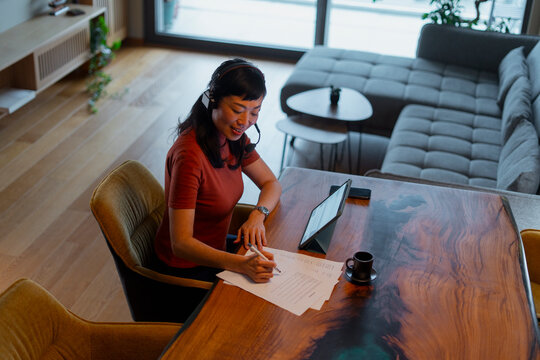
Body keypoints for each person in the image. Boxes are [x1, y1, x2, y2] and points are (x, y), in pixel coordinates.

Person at [154, 58, 282, 284]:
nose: (245, 121)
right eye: (237, 110)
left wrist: (257, 215)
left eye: (254, 112)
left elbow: (271, 183)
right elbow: (181, 243)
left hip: (218, 251)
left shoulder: (233, 138)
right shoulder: (189, 156)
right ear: (213, 101)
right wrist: (241, 264)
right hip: (184, 270)